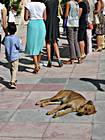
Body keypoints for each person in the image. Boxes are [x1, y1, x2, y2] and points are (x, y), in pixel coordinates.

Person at [24, 0, 46, 73]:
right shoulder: (43, 5)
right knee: (39, 46)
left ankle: (36, 65)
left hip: (32, 24)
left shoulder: (28, 5)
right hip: (41, 24)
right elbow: (45, 17)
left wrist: (32, 15)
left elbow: (26, 18)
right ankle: (38, 64)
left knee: (33, 45)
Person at [44, 0, 63, 67]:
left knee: (48, 41)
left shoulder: (46, 2)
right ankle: (59, 59)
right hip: (55, 21)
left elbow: (45, 15)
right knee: (55, 41)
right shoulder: (56, 1)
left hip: (48, 22)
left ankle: (49, 60)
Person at [4, 24, 21, 89]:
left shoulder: (6, 38)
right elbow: (19, 47)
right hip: (15, 56)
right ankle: (12, 82)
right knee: (15, 69)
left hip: (8, 56)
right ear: (15, 30)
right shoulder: (16, 38)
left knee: (11, 68)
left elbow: (3, 43)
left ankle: (13, 78)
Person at [64, 0, 81, 64]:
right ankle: (79, 57)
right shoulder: (76, 3)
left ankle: (72, 58)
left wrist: (63, 16)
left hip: (70, 23)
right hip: (76, 23)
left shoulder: (69, 3)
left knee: (71, 41)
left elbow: (66, 15)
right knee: (75, 40)